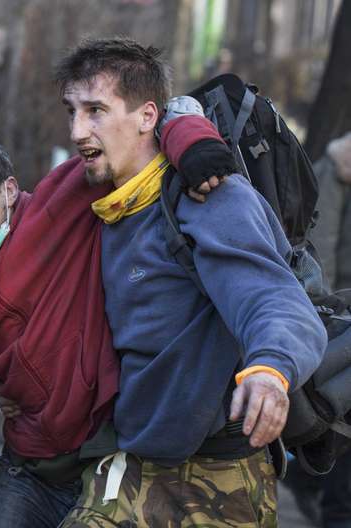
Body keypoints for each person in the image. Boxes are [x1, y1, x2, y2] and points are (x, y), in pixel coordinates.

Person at [52, 37, 327, 527]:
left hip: (219, 477)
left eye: (96, 110)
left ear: (146, 116)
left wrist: (270, 369)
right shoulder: (105, 205)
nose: (77, 130)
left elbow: (272, 298)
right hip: (132, 463)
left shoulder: (208, 198)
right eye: (71, 110)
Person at [0, 121, 226, 526]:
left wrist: (194, 143)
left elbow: (140, 123)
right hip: (27, 465)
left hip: (110, 461)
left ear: (7, 190)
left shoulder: (58, 208)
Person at [282, 130, 351, 528]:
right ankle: (322, 495)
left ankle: (310, 482)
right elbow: (321, 245)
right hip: (344, 318)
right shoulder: (339, 169)